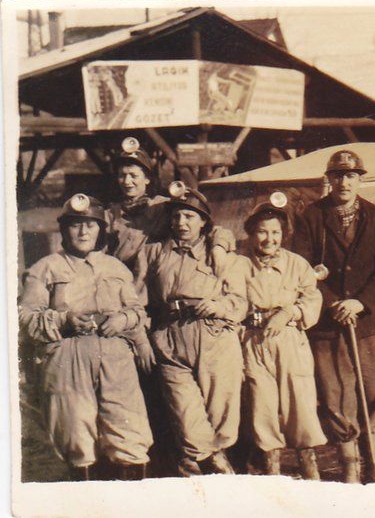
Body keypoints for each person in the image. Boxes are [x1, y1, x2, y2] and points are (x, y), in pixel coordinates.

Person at [19, 194, 154, 481]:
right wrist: (64, 320)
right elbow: (26, 318)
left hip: (115, 356)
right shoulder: (45, 268)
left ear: (100, 229)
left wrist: (123, 319)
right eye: (75, 225)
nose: (83, 232)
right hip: (67, 357)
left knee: (128, 433)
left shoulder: (115, 268)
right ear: (64, 230)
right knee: (76, 437)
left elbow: (136, 310)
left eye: (90, 225)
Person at [294, 149, 375, 483]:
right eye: (338, 176)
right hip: (327, 323)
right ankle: (349, 466)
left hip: (367, 322)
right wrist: (333, 303)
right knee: (336, 392)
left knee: (373, 388)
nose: (344, 182)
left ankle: (374, 463)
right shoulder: (312, 217)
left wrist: (359, 303)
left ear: (359, 179)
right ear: (329, 179)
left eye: (351, 176)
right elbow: (302, 269)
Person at [137, 182, 246, 476]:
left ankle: (203, 464)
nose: (181, 223)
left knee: (221, 410)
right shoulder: (153, 252)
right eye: (176, 217)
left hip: (214, 336)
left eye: (189, 217)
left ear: (204, 223)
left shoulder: (219, 253)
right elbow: (137, 299)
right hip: (169, 336)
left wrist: (219, 307)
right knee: (185, 412)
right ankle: (212, 463)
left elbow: (239, 302)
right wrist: (142, 338)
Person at [237, 197, 327, 480]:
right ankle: (273, 474)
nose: (269, 239)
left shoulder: (297, 264)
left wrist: (289, 311)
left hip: (290, 342)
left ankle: (310, 472)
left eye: (275, 232)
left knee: (300, 404)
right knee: (262, 409)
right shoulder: (239, 265)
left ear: (283, 234)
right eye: (262, 231)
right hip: (254, 342)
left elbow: (312, 299)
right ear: (252, 233)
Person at [106, 137, 236, 304]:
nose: (127, 181)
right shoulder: (110, 215)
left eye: (133, 175)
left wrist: (219, 247)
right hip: (121, 287)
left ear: (146, 179)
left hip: (155, 283)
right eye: (122, 176)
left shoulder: (162, 206)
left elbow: (210, 227)